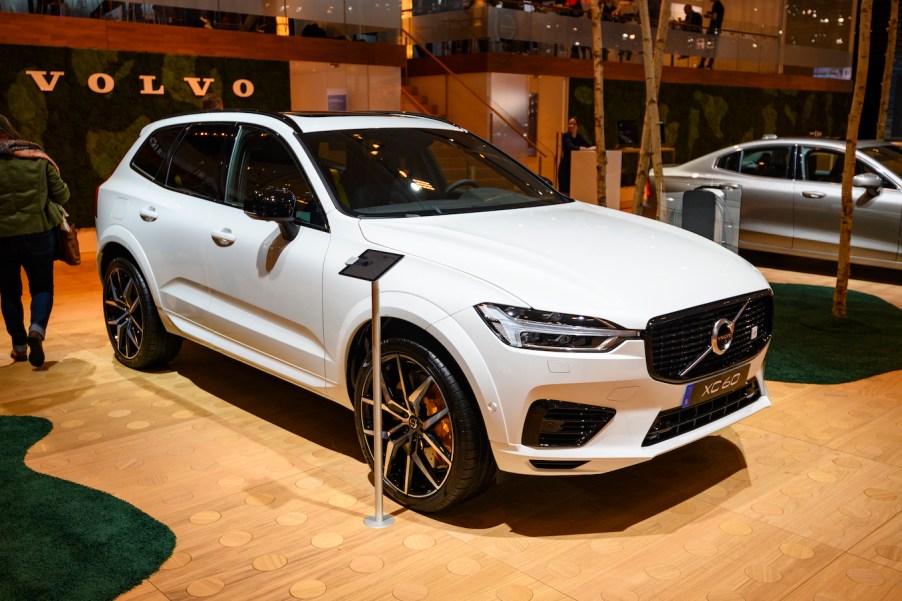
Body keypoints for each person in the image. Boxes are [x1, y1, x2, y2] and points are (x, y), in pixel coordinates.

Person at [0, 115, 70, 367]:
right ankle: (36, 330)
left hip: (2, 239)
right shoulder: (35, 157)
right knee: (41, 287)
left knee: (9, 293)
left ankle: (19, 347)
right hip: (38, 234)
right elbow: (62, 194)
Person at [557, 117, 595, 195]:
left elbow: (588, 146)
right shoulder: (566, 136)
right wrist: (581, 148)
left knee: (575, 188)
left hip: (576, 166)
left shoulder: (579, 136)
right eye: (570, 124)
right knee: (565, 188)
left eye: (574, 124)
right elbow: (570, 146)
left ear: (577, 126)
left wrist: (592, 147)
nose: (571, 126)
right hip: (566, 165)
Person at [698, 0, 724, 68]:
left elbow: (714, 17)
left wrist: (708, 16)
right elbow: (717, 17)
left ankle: (702, 63)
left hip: (712, 30)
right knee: (713, 48)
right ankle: (710, 64)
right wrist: (711, 13)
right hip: (716, 30)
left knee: (707, 47)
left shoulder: (716, 5)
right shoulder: (721, 6)